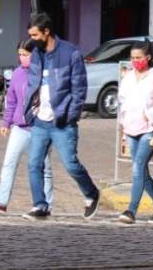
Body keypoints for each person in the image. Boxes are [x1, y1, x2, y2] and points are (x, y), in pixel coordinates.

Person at [23, 13, 100, 220]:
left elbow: (79, 89)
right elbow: (32, 82)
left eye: (35, 34)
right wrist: (29, 109)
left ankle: (92, 193)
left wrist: (70, 115)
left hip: (62, 121)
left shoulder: (71, 54)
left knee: (70, 164)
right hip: (40, 120)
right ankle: (40, 204)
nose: (32, 39)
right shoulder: (37, 54)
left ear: (46, 32)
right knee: (34, 164)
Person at [0, 39, 54, 215]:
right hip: (20, 127)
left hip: (41, 128)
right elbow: (12, 100)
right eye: (20, 54)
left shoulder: (45, 73)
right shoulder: (17, 74)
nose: (22, 58)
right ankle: (2, 202)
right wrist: (6, 122)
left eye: (26, 54)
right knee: (9, 163)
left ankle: (45, 205)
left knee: (43, 168)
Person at [116, 41, 153, 224]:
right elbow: (122, 100)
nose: (135, 61)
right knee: (141, 170)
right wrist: (123, 121)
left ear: (148, 58)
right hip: (131, 128)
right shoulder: (128, 77)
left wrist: (149, 114)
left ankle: (131, 210)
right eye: (132, 58)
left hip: (149, 129)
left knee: (137, 167)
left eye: (139, 58)